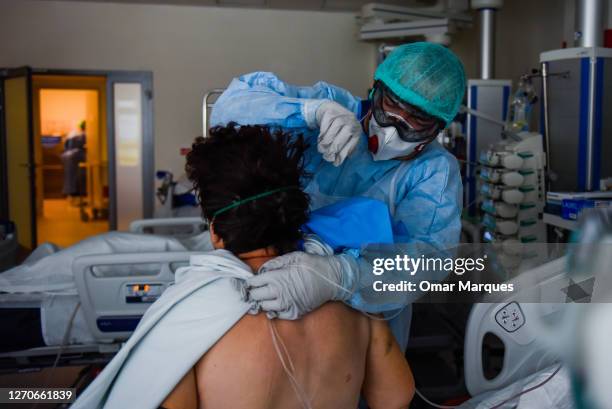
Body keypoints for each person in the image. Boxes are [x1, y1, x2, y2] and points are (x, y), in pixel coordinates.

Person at [71, 124, 414, 409]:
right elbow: (395, 397)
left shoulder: (190, 317)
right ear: (296, 214)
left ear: (216, 232)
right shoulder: (347, 295)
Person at [210, 42, 466, 349]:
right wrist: (308, 113)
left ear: (438, 129)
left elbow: (429, 260)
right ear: (375, 90)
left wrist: (341, 275)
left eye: (417, 123)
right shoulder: (331, 106)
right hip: (277, 282)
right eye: (392, 107)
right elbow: (228, 110)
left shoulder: (434, 171)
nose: (396, 129)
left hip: (367, 315)